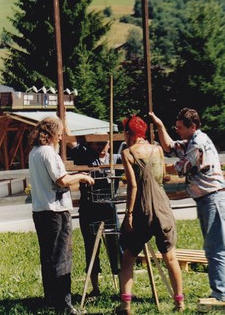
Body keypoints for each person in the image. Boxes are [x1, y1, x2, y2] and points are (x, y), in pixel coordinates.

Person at [149, 108, 225, 302]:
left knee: (215, 248)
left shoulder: (197, 144)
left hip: (212, 198)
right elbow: (169, 147)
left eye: (181, 127)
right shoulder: (191, 140)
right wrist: (159, 125)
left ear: (192, 126)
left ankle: (220, 293)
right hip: (206, 199)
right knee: (214, 246)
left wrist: (153, 167)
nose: (178, 131)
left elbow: (181, 167)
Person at [116, 115, 184, 314]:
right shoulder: (158, 149)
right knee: (170, 256)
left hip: (141, 208)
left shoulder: (128, 153)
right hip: (162, 206)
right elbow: (163, 175)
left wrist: (128, 213)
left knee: (128, 256)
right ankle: (179, 302)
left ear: (129, 133)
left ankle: (125, 305)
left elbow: (133, 186)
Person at [28, 116, 94, 314]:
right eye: (59, 133)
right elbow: (62, 180)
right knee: (62, 258)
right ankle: (64, 305)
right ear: (52, 134)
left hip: (41, 211)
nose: (60, 137)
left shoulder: (35, 152)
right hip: (55, 212)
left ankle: (50, 299)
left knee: (48, 257)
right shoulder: (48, 152)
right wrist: (82, 176)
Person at [67, 134, 123, 298]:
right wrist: (63, 118)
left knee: (115, 247)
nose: (99, 147)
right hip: (89, 209)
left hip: (109, 209)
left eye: (103, 143)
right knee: (91, 248)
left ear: (109, 144)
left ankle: (122, 288)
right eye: (95, 143)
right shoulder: (85, 156)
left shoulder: (117, 158)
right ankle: (95, 288)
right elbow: (72, 144)